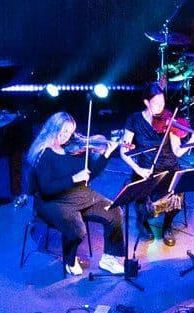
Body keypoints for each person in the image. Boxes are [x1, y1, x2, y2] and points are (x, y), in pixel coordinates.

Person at [25, 112, 128, 276]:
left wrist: (107, 154)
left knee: (114, 211)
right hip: (52, 202)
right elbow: (46, 188)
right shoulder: (44, 154)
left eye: (70, 132)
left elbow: (90, 174)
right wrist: (74, 178)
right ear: (53, 129)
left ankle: (109, 258)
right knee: (77, 229)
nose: (67, 136)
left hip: (79, 194)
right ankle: (70, 259)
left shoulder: (74, 149)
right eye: (64, 131)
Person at [114, 86, 194, 247]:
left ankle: (167, 226)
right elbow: (124, 151)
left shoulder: (169, 119)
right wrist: (138, 170)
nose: (161, 107)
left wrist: (193, 140)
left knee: (177, 195)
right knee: (143, 201)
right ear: (146, 102)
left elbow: (177, 151)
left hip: (170, 168)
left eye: (162, 103)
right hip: (146, 170)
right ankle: (143, 222)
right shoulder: (134, 120)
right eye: (156, 103)